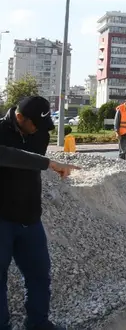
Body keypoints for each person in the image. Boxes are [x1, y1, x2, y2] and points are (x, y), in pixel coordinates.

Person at [0, 96, 79, 330]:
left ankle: (38, 323)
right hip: (1, 218)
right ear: (20, 117)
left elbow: (29, 165)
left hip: (30, 217)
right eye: (36, 124)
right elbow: (7, 155)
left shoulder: (39, 132)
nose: (39, 131)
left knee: (39, 275)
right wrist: (48, 163)